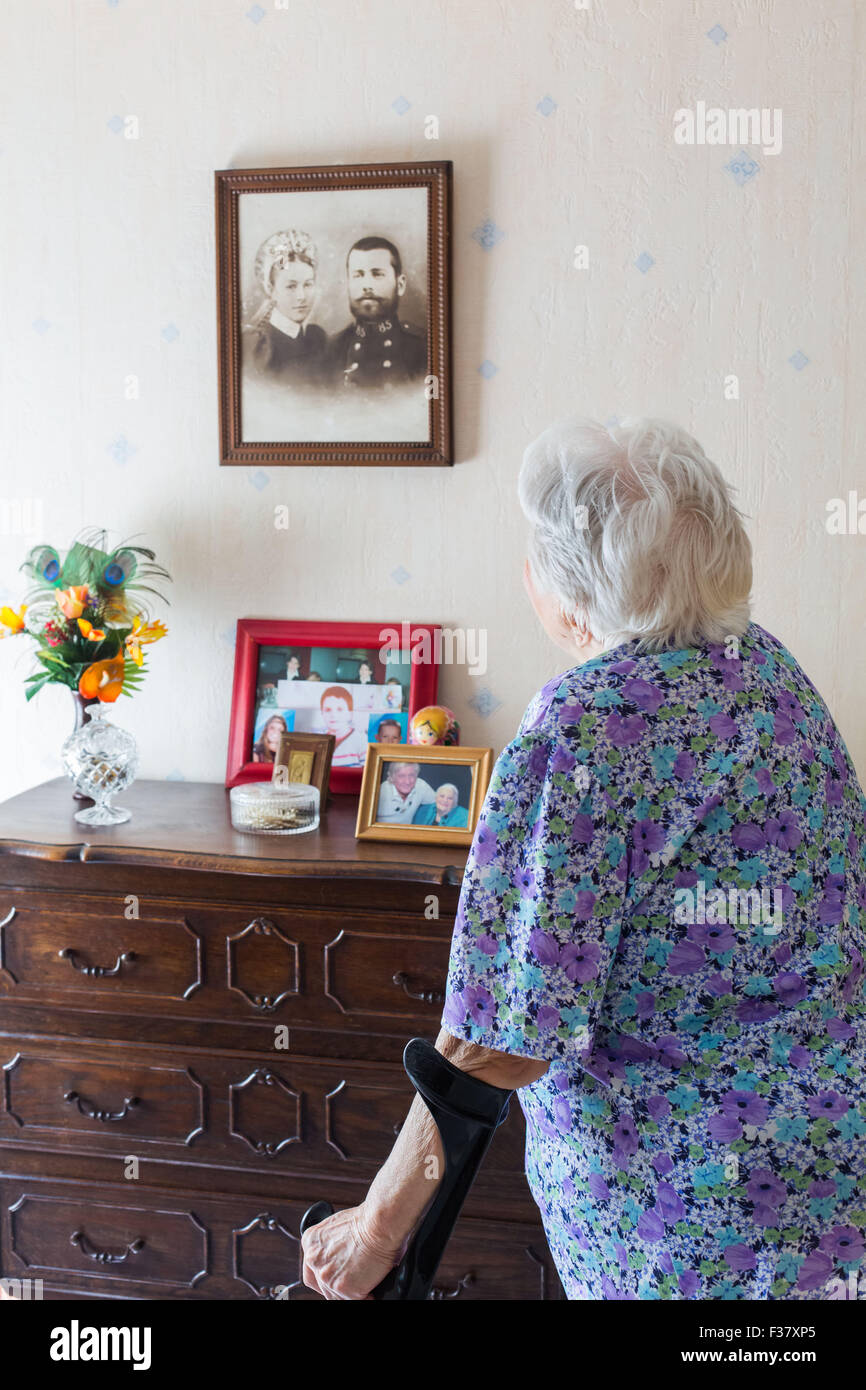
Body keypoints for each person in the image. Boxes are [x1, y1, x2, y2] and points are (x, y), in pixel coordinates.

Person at [301, 416, 866, 1302]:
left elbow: (502, 1036)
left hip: (682, 1225)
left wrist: (375, 1230)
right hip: (829, 1190)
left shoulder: (584, 728)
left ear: (564, 598)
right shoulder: (771, 675)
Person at [326, 237, 426, 389]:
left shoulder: (424, 347)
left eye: (377, 274)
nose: (366, 286)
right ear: (348, 284)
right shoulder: (330, 350)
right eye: (358, 275)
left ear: (400, 285)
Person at [242, 230, 327, 383]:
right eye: (291, 286)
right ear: (271, 290)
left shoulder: (317, 338)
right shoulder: (260, 346)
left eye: (308, 285)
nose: (301, 296)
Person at [319, 686, 368, 767]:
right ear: (322, 713)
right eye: (328, 710)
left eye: (339, 709)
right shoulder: (318, 741)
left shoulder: (362, 741)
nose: (333, 715)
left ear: (350, 714)